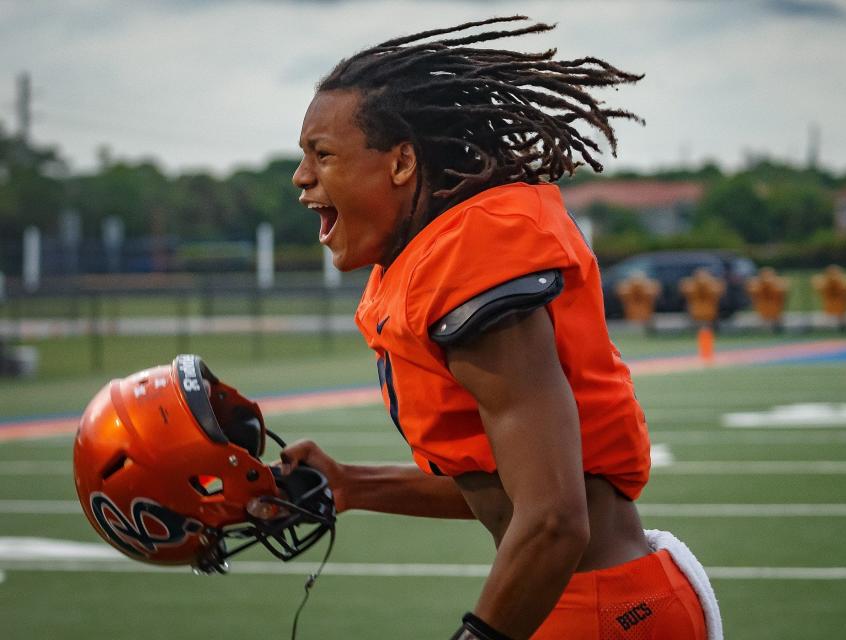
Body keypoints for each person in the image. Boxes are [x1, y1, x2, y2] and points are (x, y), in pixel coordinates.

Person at [282, 16, 718, 640]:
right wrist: (352, 484)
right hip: (596, 599)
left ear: (402, 161)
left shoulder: (468, 262)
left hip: (598, 609)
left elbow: (555, 519)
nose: (302, 176)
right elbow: (511, 492)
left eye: (321, 155)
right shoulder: (435, 260)